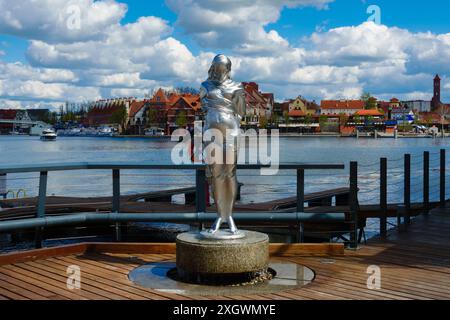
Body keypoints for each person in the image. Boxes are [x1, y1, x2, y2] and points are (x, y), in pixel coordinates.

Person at [200, 54, 246, 236]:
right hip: (211, 133)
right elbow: (204, 108)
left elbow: (241, 112)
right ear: (212, 68)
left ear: (228, 69)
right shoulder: (205, 86)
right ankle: (220, 215)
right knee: (216, 174)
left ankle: (230, 216)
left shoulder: (237, 87)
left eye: (223, 68)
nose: (219, 72)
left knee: (230, 173)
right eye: (216, 68)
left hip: (231, 132)